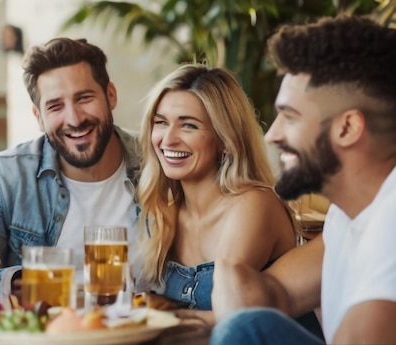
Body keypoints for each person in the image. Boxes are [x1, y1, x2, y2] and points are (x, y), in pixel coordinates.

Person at [210, 15, 396, 344]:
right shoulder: (348, 214)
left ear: (348, 128)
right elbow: (272, 295)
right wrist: (231, 244)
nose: (273, 135)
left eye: (290, 116)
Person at [0, 38, 140, 301]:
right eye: (55, 106)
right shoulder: (2, 177)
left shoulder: (158, 162)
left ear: (110, 95)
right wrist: (23, 281)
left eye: (85, 98)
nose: (74, 119)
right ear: (38, 117)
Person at [134, 64, 316, 328]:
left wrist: (157, 319)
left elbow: (230, 316)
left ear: (225, 140)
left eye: (188, 126)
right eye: (161, 122)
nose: (168, 139)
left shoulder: (253, 203)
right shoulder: (165, 212)